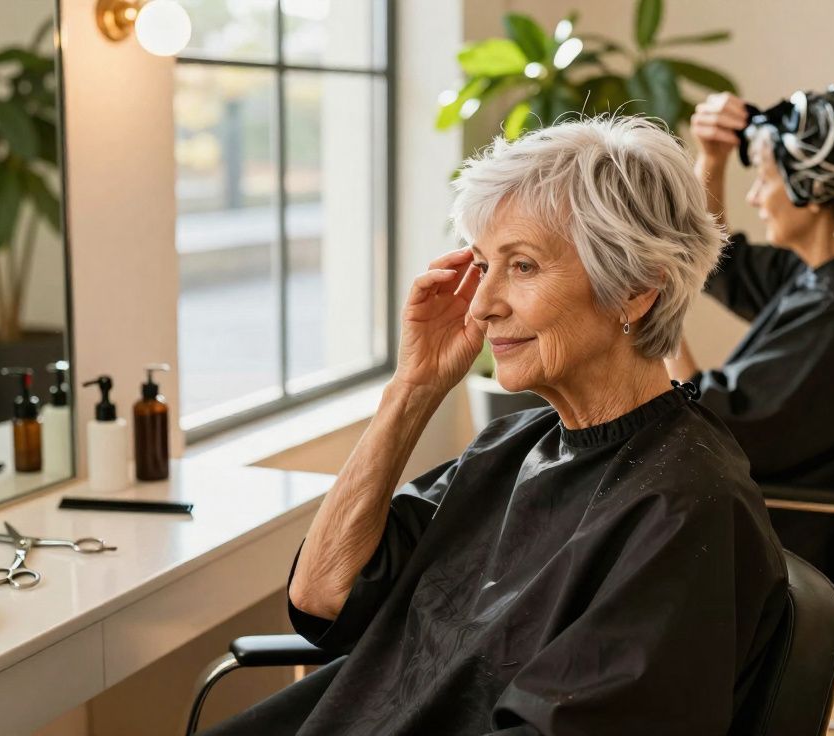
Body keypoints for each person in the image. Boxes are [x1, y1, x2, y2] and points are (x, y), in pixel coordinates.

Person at [207, 117, 788, 736]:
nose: (483, 304)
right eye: (483, 264)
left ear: (636, 289)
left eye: (523, 266)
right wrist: (412, 389)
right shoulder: (511, 446)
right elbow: (323, 596)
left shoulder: (685, 504)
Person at [666, 87, 834, 588]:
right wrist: (712, 158)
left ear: (810, 191)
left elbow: (696, 424)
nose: (753, 197)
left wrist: (655, 322)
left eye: (765, 179)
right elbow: (716, 261)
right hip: (781, 530)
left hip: (777, 552)